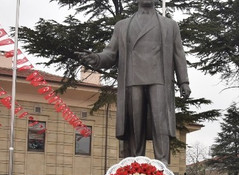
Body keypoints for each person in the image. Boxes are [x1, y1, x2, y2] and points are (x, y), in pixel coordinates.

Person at [78, 0, 190, 164]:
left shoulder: (169, 25)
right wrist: (96, 58)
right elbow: (110, 53)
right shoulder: (122, 26)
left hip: (159, 78)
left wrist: (183, 81)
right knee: (135, 123)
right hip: (132, 78)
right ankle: (135, 163)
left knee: (161, 122)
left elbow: (179, 54)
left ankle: (162, 162)